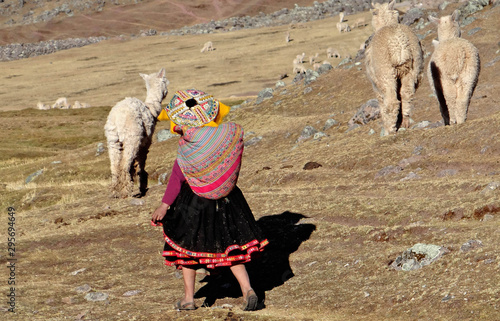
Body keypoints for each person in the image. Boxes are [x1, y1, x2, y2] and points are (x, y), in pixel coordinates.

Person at [151, 89, 268, 311]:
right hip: (227, 200)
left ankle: (188, 299)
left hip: (194, 202)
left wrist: (165, 205)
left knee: (187, 249)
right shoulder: (223, 137)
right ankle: (248, 290)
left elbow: (177, 178)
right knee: (231, 247)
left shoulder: (188, 146)